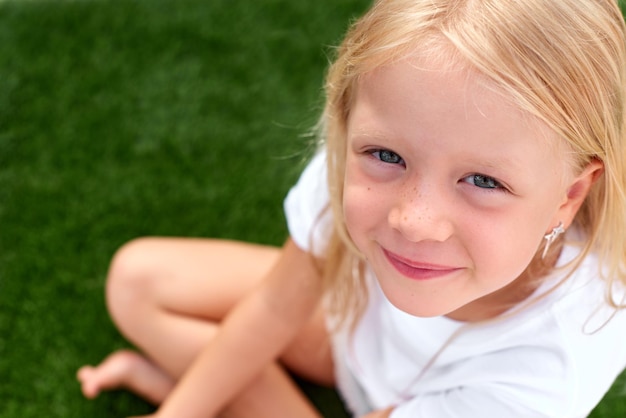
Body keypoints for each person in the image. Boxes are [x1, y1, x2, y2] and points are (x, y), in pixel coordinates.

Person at [77, 0, 626, 416]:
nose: (413, 219)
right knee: (137, 282)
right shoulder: (361, 160)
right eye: (386, 154)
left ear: (569, 195)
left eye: (483, 180)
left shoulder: (556, 366)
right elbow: (273, 308)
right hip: (346, 337)